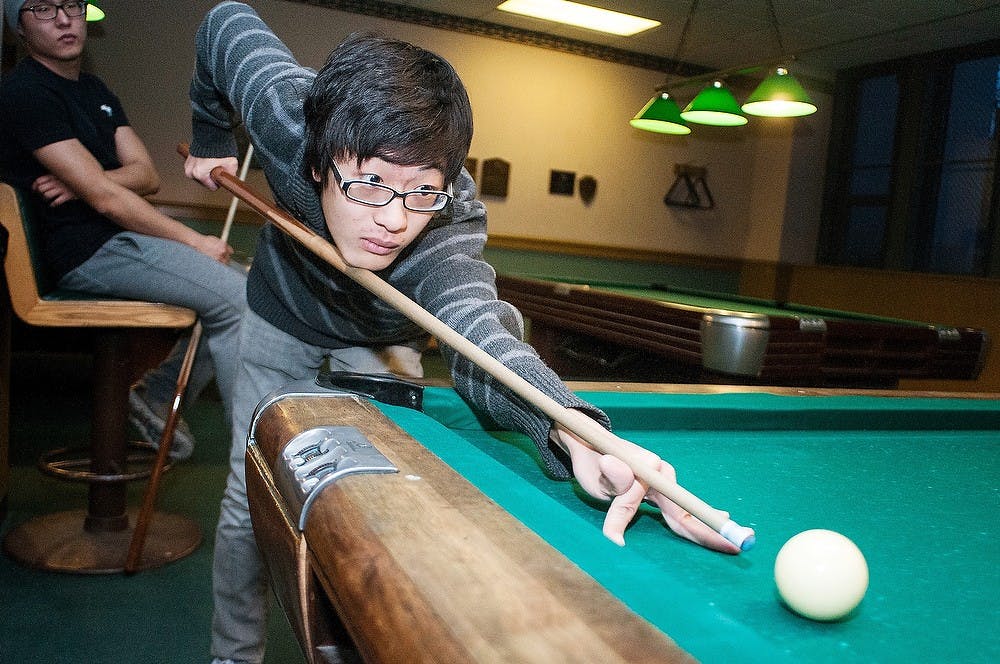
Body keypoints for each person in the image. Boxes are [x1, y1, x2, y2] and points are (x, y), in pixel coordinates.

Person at [185, 3, 740, 662]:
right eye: (368, 183)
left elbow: (481, 335)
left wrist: (568, 427)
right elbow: (223, 21)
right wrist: (211, 135)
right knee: (248, 498)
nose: (394, 218)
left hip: (385, 337)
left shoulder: (444, 226)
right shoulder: (284, 115)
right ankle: (232, 656)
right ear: (317, 163)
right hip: (284, 309)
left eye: (422, 190)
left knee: (380, 503)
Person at [0, 0, 247, 459]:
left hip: (113, 239)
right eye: (42, 9)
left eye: (71, 5)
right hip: (82, 252)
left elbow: (147, 176)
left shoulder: (94, 89)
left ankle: (154, 394)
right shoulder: (25, 92)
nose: (63, 18)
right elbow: (108, 199)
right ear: (19, 28)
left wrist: (87, 181)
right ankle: (251, 459)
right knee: (240, 300)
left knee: (251, 290)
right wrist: (196, 241)